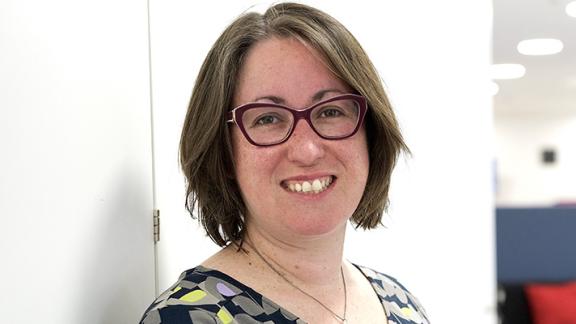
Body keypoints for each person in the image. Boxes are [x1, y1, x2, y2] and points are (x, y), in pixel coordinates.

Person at [140, 2, 429, 324]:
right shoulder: (190, 317)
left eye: (331, 111)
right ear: (223, 153)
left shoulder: (400, 303)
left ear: (371, 135)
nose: (306, 150)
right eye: (268, 118)